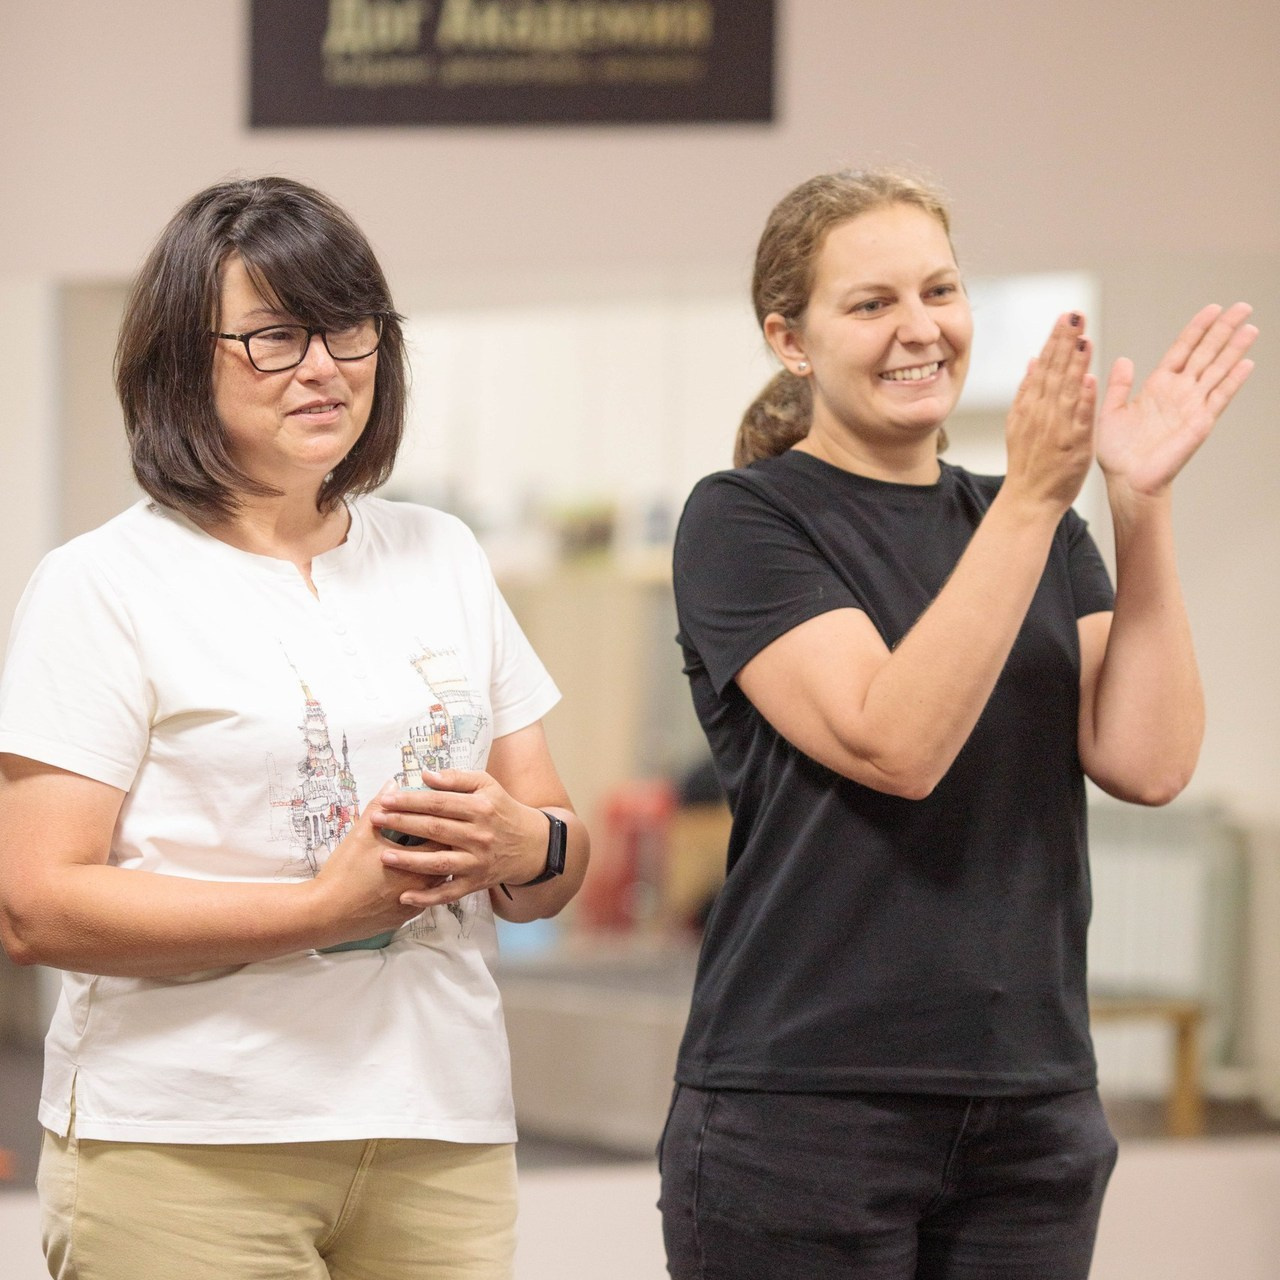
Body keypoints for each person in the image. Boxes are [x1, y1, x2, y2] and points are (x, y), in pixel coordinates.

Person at [659, 168, 1257, 1279]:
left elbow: (1150, 759)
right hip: (806, 1108)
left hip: (1029, 1104)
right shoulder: (744, 519)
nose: (918, 328)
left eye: (939, 290)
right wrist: (1036, 495)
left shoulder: (1030, 519)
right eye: (871, 302)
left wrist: (1135, 503)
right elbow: (896, 743)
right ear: (789, 340)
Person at [0, 176, 589, 1280]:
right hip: (190, 1140)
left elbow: (553, 832)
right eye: (273, 336)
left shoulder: (442, 553)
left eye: (346, 328)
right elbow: (36, 901)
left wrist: (532, 847)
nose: (324, 367)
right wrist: (320, 908)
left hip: (439, 1124)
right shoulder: (102, 584)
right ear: (184, 355)